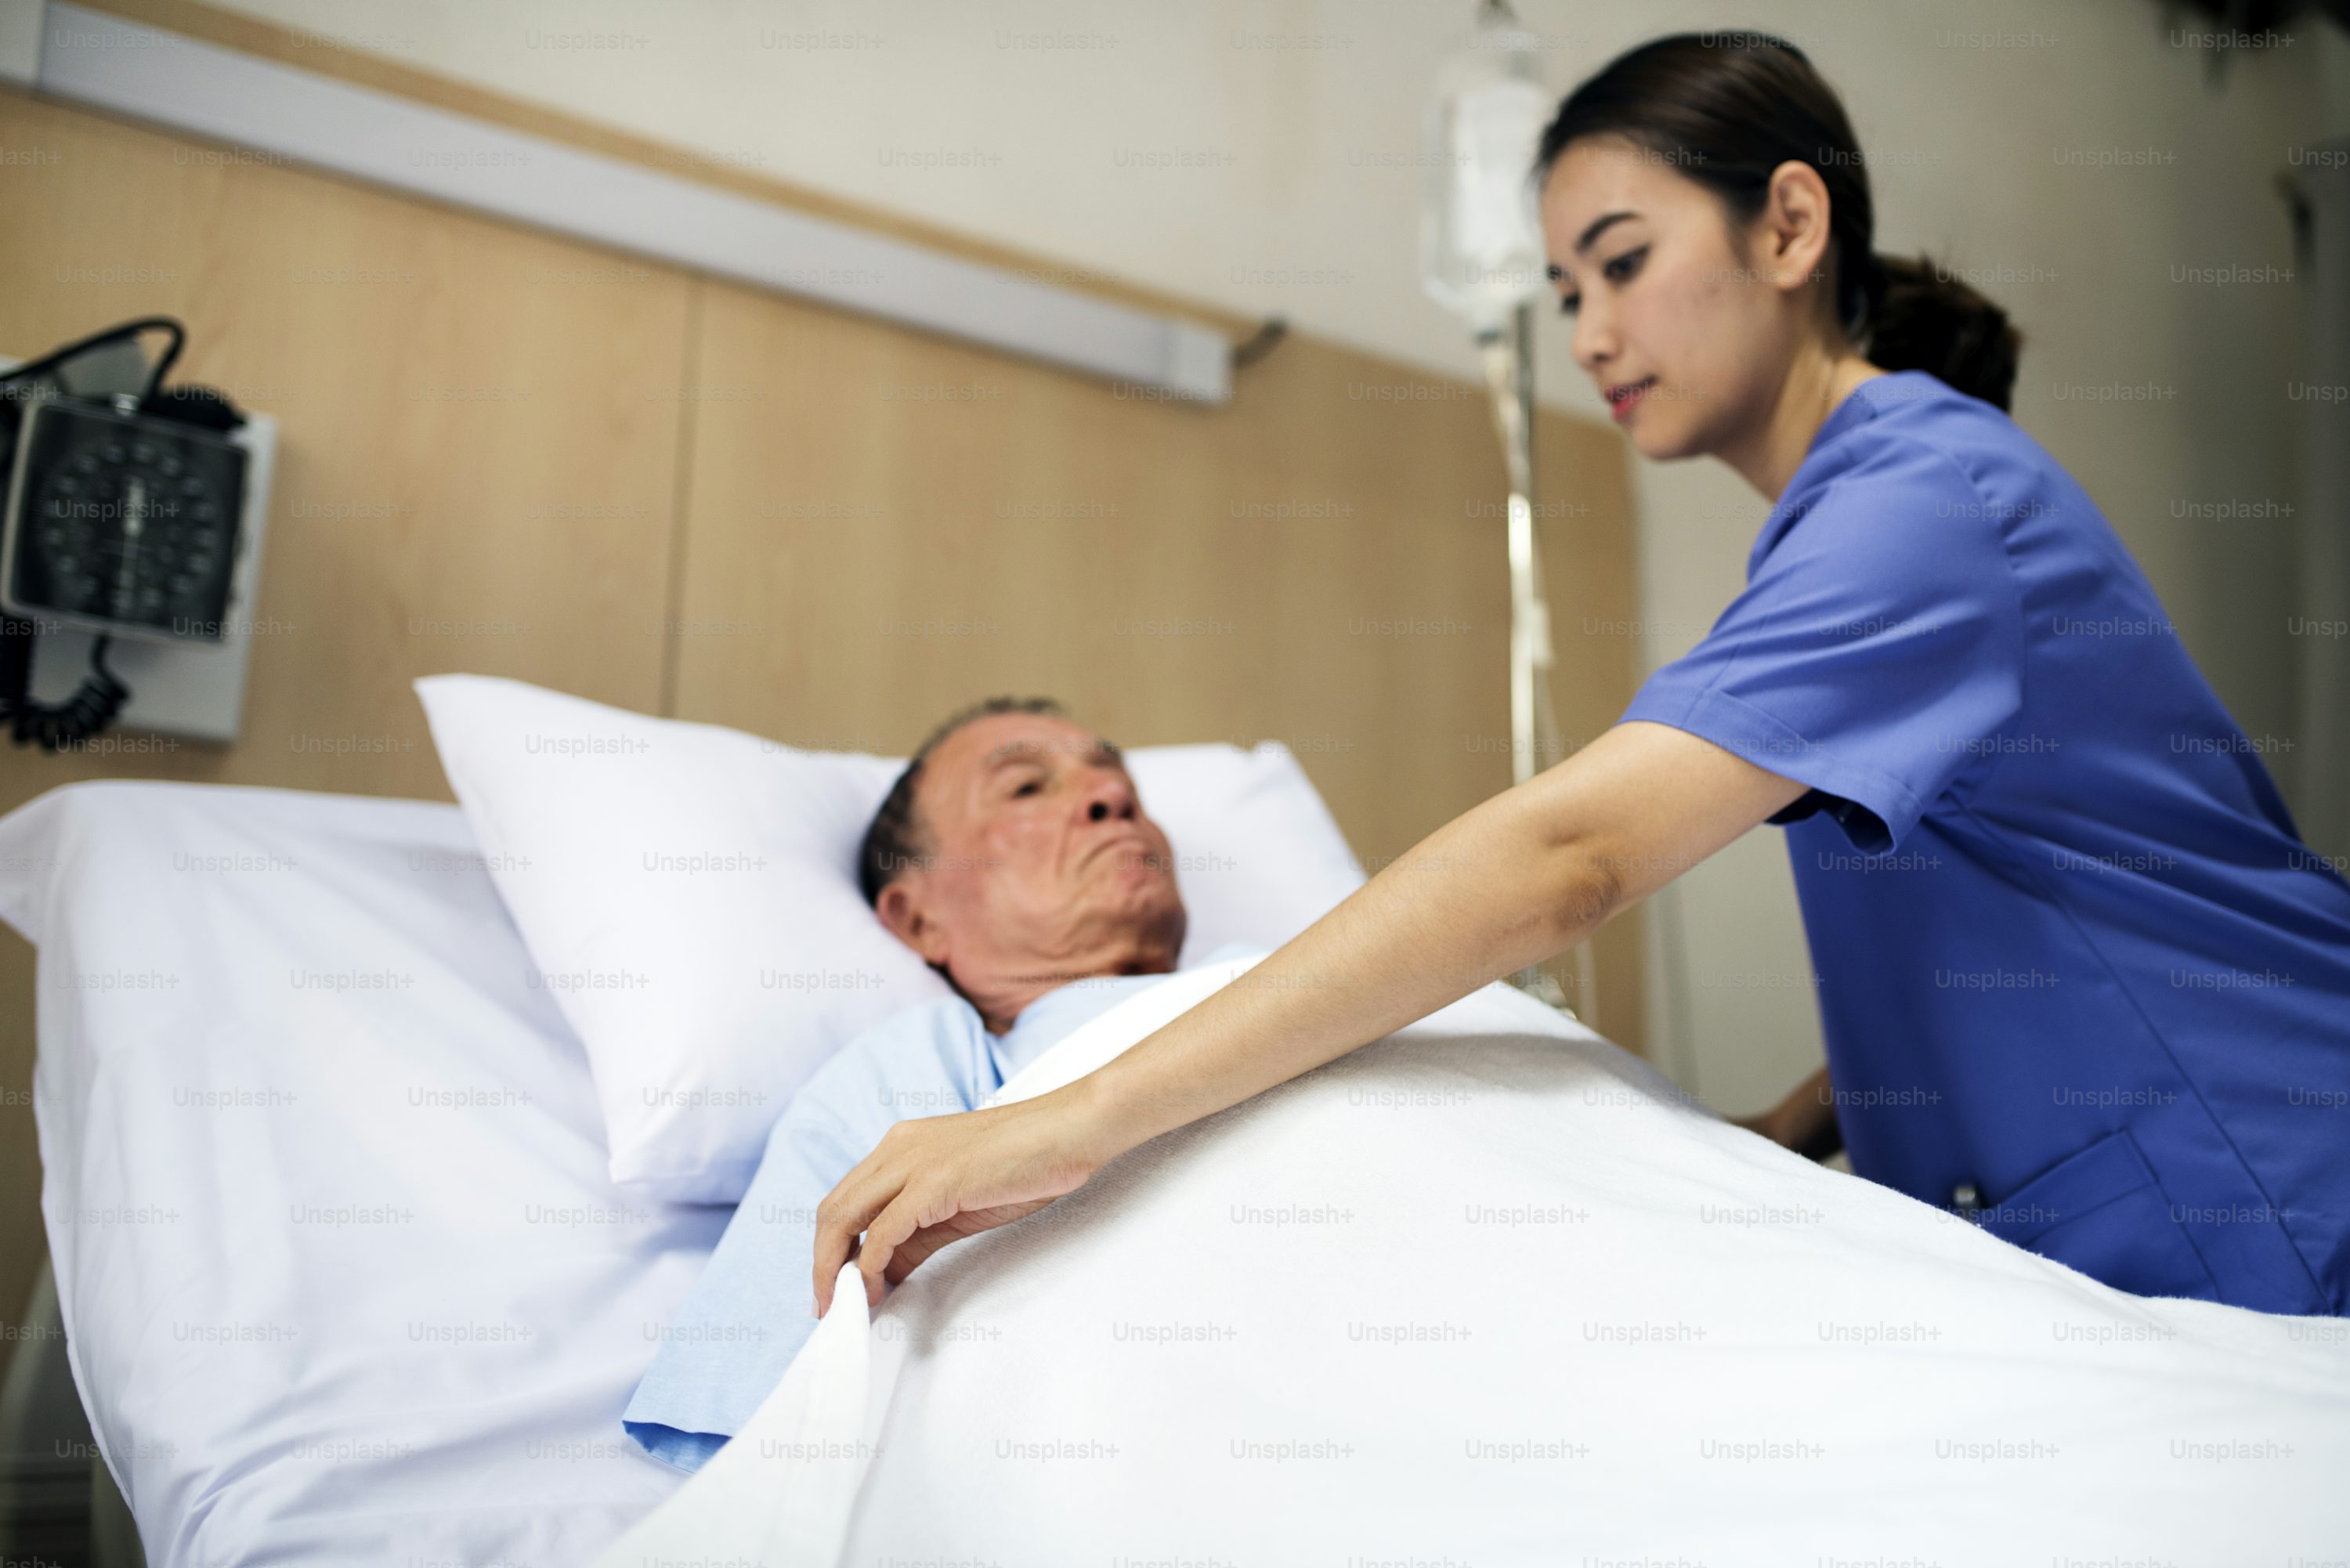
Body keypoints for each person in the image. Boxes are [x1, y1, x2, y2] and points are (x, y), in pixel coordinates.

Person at [812, 32, 2350, 1320]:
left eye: (1623, 264)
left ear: (1789, 227)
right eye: (1566, 297)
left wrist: (1075, 1120)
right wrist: (1789, 1124)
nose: (1594, 337)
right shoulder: (1858, 524)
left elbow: (1576, 855)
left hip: (2269, 1156)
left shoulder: (1922, 503)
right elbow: (2013, 899)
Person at [624, 697, 1259, 1468]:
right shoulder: (928, 1065)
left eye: (1119, 783)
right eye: (1026, 787)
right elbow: (776, 1428)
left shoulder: (1290, 973)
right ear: (919, 919)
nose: (1113, 797)